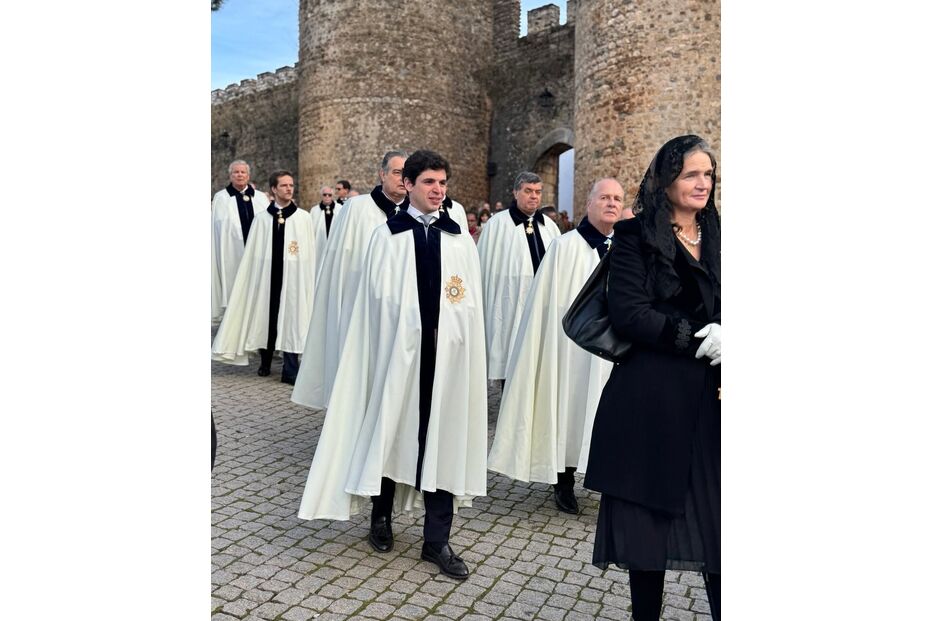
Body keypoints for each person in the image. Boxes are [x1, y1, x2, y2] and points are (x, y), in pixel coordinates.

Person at [296, 150, 487, 580]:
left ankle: (437, 541)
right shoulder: (387, 236)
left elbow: (469, 304)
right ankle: (380, 518)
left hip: (447, 361)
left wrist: (452, 333)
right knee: (390, 429)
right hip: (397, 357)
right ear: (409, 186)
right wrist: (406, 332)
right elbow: (376, 302)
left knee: (444, 440)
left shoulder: (460, 240)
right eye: (429, 183)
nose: (438, 190)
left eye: (443, 183)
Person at [584, 136, 721, 621]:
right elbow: (629, 314)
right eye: (690, 174)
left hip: (713, 402)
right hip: (652, 402)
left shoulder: (721, 234)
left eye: (707, 173)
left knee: (721, 520)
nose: (702, 183)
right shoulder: (634, 236)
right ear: (665, 182)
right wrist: (696, 338)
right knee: (647, 530)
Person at [488, 178, 629, 515]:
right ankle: (564, 479)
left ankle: (609, 478)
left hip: (616, 349)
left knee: (610, 411)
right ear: (589, 202)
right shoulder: (565, 248)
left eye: (618, 199)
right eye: (604, 197)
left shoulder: (629, 248)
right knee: (571, 407)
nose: (611, 203)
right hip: (570, 351)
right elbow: (545, 308)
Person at [292, 152, 468, 410]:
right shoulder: (357, 208)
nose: (401, 178)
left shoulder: (425, 216)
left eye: (404, 173)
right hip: (359, 304)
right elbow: (340, 263)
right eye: (396, 172)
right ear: (382, 174)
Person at [211, 170, 317, 384]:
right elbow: (254, 254)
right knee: (266, 316)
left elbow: (309, 254)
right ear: (274, 190)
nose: (289, 188)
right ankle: (265, 361)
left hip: (293, 279)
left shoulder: (303, 218)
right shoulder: (261, 220)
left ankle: (290, 367)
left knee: (292, 319)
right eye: (284, 185)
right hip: (267, 279)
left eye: (291, 185)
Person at [476, 171, 562, 383]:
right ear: (516, 192)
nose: (534, 196)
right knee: (511, 356)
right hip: (509, 303)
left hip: (543, 304)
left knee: (541, 362)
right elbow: (486, 266)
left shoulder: (550, 227)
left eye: (538, 192)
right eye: (528, 191)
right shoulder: (498, 225)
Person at [211, 160, 270, 323]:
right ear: (230, 175)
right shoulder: (221, 198)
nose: (239, 175)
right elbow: (218, 228)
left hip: (256, 252)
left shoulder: (260, 198)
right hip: (231, 253)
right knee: (234, 286)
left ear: (248, 175)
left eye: (243, 172)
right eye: (236, 172)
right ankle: (233, 321)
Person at [309, 185, 343, 268]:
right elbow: (311, 229)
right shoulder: (314, 210)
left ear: (332, 196)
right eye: (325, 195)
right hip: (319, 245)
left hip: (334, 244)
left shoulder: (340, 208)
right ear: (321, 195)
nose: (327, 197)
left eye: (329, 195)